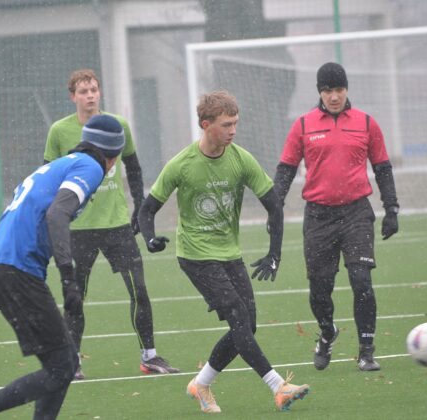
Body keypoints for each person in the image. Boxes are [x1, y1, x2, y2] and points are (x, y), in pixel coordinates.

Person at [138, 90, 309, 413]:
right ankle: (278, 386)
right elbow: (146, 210)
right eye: (226, 125)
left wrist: (274, 254)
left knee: (247, 325)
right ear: (206, 125)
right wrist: (149, 239)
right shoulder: (182, 164)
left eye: (235, 123)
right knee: (239, 318)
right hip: (195, 256)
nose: (233, 130)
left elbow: (274, 205)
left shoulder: (241, 159)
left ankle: (200, 384)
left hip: (229, 253)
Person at [0, 115, 123, 420]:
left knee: (63, 364)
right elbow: (57, 215)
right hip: (17, 272)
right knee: (63, 366)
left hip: (3, 268)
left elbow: (25, 226)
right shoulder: (91, 166)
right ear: (113, 156)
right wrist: (68, 277)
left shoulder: (61, 165)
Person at [44, 69, 178, 378]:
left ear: (99, 92)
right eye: (83, 91)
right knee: (75, 297)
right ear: (73, 97)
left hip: (116, 226)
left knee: (139, 290)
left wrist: (139, 208)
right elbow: (48, 175)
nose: (90, 95)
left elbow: (134, 167)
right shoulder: (59, 131)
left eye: (93, 89)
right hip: (78, 229)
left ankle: (150, 357)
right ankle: (72, 362)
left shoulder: (118, 125)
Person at [272, 62, 400, 372]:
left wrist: (391, 209)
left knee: (361, 280)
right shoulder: (303, 125)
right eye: (328, 90)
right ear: (319, 92)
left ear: (346, 89)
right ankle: (327, 332)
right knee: (319, 288)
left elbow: (382, 168)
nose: (334, 96)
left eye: (339, 90)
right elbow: (286, 169)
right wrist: (274, 209)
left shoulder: (366, 123)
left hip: (356, 213)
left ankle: (366, 350)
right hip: (318, 217)